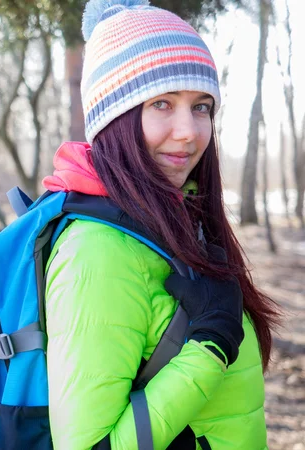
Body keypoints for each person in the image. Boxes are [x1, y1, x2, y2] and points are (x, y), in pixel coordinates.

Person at [42, 1, 281, 449]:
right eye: (162, 103)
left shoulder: (181, 223)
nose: (189, 131)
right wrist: (209, 347)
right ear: (115, 118)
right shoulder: (96, 251)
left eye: (201, 107)